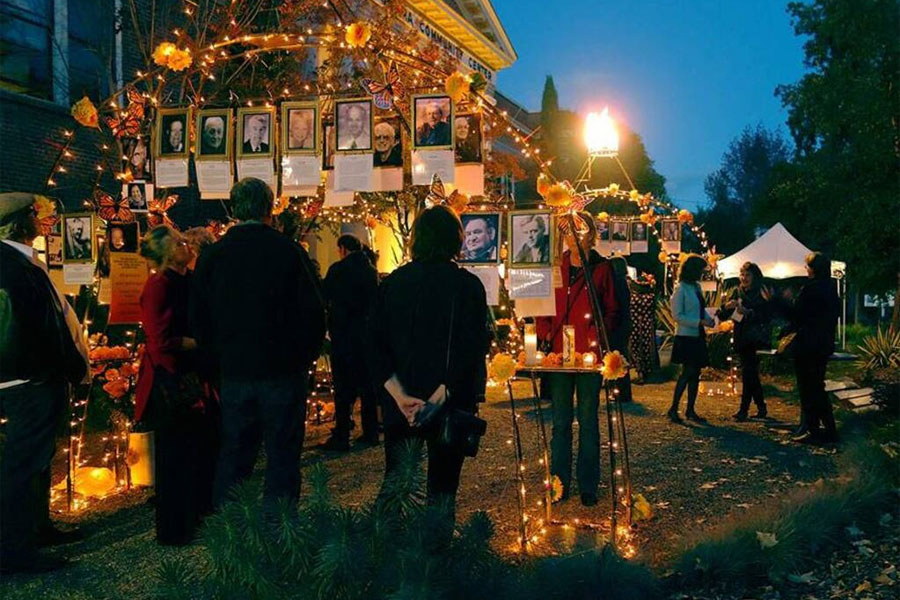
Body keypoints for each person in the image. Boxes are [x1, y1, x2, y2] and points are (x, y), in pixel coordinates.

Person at [191, 178, 325, 507]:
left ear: (234, 209)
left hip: (235, 371)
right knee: (282, 456)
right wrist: (304, 358)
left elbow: (198, 318)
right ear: (269, 208)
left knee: (235, 455)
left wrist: (213, 366)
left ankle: (231, 533)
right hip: (282, 371)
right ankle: (279, 530)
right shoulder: (288, 251)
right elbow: (313, 312)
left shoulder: (214, 256)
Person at [368, 205, 490, 516]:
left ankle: (386, 552)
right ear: (456, 240)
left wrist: (398, 395)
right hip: (448, 399)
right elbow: (474, 346)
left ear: (416, 240)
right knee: (443, 489)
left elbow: (375, 344)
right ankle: (436, 556)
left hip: (401, 400)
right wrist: (442, 393)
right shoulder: (467, 286)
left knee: (397, 481)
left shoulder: (394, 284)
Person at [0, 192, 89, 573]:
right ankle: (15, 549)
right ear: (20, 222)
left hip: (31, 376)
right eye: (36, 216)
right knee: (23, 463)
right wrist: (68, 366)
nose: (42, 221)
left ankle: (38, 526)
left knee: (37, 460)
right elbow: (40, 329)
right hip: (29, 378)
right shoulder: (13, 268)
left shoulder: (19, 264)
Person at [134, 225, 217, 545]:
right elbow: (160, 339)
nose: (187, 245)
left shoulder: (188, 280)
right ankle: (175, 528)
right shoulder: (158, 285)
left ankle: (198, 515)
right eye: (180, 242)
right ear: (167, 252)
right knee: (175, 456)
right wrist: (198, 344)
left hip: (194, 377)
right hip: (172, 382)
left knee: (198, 450)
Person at [536, 213, 618, 506]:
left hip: (588, 357)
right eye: (568, 232)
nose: (573, 237)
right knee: (559, 422)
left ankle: (588, 485)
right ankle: (558, 484)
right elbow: (542, 303)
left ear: (589, 235)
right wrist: (546, 333)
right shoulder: (555, 267)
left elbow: (611, 309)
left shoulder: (601, 268)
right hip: (559, 356)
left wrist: (597, 334)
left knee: (588, 420)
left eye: (578, 231)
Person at [319, 234, 380, 451]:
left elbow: (324, 295)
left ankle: (342, 433)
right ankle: (370, 430)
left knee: (344, 389)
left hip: (343, 335)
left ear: (343, 249)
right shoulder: (370, 271)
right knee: (367, 386)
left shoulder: (338, 270)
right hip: (365, 336)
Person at [780, 252, 840, 444]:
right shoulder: (831, 289)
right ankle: (829, 429)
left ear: (813, 269)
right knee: (818, 387)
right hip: (824, 344)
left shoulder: (810, 290)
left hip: (807, 345)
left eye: (807, 267)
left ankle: (813, 429)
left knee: (808, 388)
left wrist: (783, 302)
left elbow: (797, 317)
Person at [716, 262, 771, 421]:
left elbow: (766, 315)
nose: (744, 278)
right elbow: (722, 315)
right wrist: (727, 306)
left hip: (756, 338)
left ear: (754, 276)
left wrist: (749, 313)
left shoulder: (760, 292)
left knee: (749, 374)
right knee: (750, 374)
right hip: (742, 337)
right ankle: (761, 407)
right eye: (742, 274)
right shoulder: (736, 291)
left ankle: (744, 410)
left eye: (747, 275)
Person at [667, 255, 716, 423]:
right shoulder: (681, 289)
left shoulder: (695, 287)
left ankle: (690, 409)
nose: (703, 274)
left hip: (697, 334)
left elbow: (700, 308)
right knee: (688, 372)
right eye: (701, 271)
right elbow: (677, 316)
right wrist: (698, 321)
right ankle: (674, 407)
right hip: (686, 336)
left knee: (695, 373)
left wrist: (708, 320)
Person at [608, 256, 633, 402]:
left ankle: (619, 391)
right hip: (624, 324)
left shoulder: (616, 284)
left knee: (617, 357)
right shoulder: (624, 282)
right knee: (622, 356)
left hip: (617, 325)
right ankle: (622, 391)